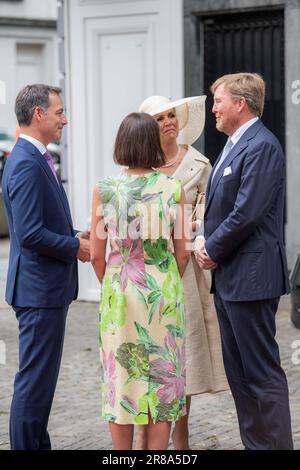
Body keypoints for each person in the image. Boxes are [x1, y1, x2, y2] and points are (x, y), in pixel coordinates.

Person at [195, 72, 293, 450]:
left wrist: (210, 249)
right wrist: (205, 237)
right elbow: (221, 208)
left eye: (218, 100)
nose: (213, 108)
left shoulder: (262, 145)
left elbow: (246, 212)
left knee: (262, 374)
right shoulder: (234, 144)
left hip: (251, 279)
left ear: (240, 103)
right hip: (230, 279)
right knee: (239, 376)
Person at [90, 112, 190, 450]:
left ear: (122, 143)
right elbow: (184, 253)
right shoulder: (173, 188)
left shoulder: (105, 190)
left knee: (120, 375)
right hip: (163, 291)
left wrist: (114, 282)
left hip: (121, 292)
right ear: (152, 144)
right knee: (162, 379)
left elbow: (96, 255)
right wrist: (166, 279)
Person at [136, 95, 228, 450]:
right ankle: (145, 434)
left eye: (172, 115)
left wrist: (192, 236)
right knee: (149, 354)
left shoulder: (199, 165)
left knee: (182, 354)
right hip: (148, 272)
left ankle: (181, 435)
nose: (169, 122)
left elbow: (208, 218)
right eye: (160, 119)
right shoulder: (137, 167)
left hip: (186, 272)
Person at [2, 84, 90, 450]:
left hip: (45, 288)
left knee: (40, 383)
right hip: (38, 291)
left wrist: (73, 233)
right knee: (34, 383)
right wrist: (75, 247)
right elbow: (30, 233)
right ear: (39, 114)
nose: (65, 119)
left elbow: (42, 222)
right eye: (59, 112)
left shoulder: (34, 156)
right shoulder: (24, 161)